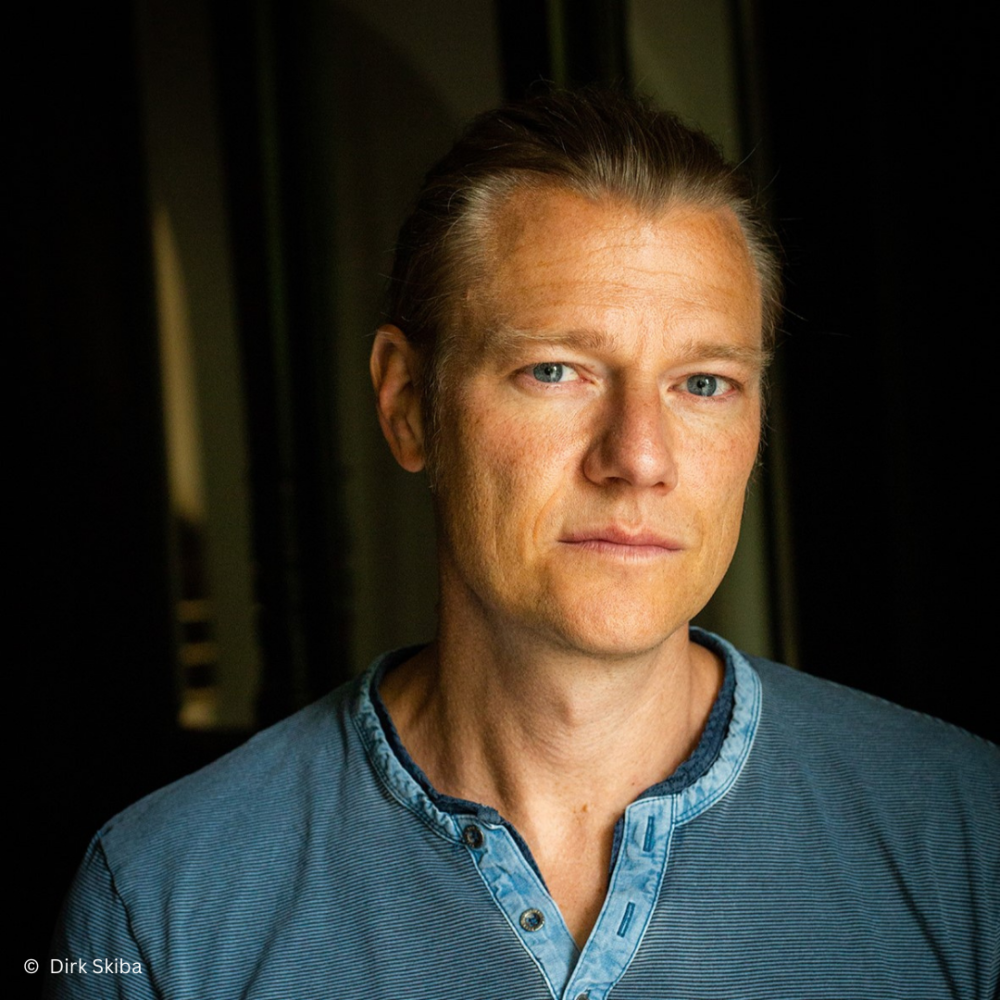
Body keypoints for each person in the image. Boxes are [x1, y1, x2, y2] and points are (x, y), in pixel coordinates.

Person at [48, 90, 998, 1000]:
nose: (639, 457)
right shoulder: (162, 904)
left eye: (703, 383)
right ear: (406, 404)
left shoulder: (969, 838)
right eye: (555, 370)